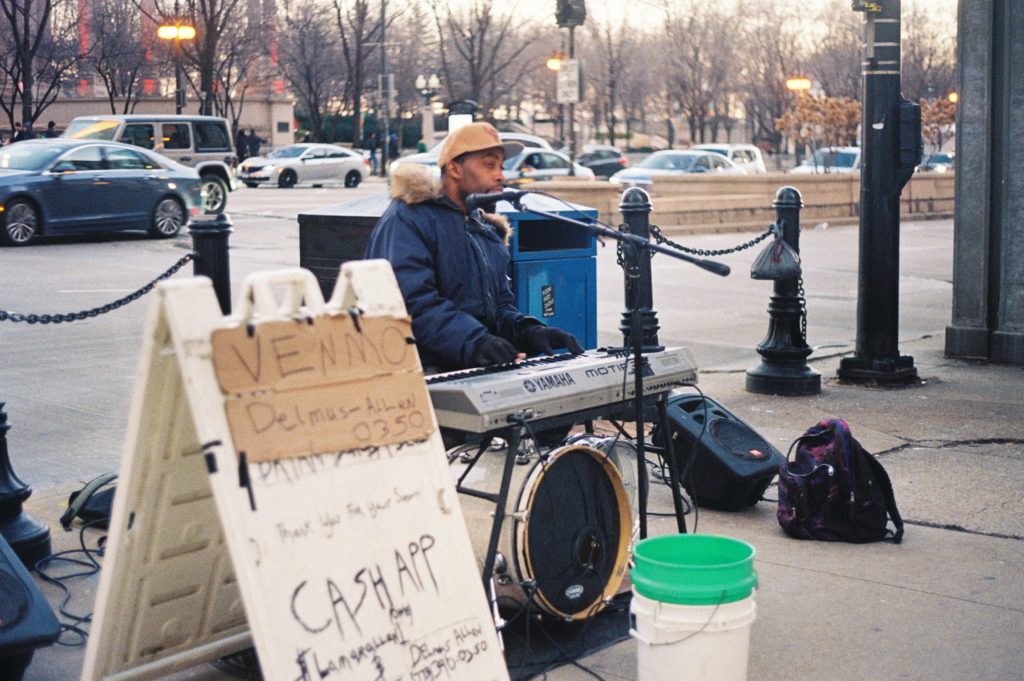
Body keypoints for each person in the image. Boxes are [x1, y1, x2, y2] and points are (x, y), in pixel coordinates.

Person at [364, 122, 583, 373]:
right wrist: (476, 342)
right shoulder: (409, 218)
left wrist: (529, 331)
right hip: (422, 374)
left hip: (472, 367)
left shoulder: (485, 228)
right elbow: (412, 302)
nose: (501, 175)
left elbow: (498, 308)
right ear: (454, 169)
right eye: (489, 165)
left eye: (501, 166)